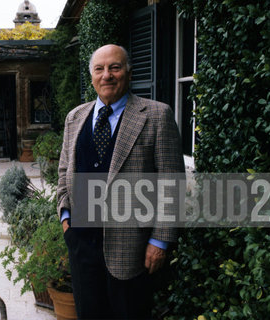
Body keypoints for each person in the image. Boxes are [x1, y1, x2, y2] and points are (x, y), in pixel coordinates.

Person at [57, 44, 185, 319]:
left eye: (114, 67)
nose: (107, 75)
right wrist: (65, 217)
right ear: (91, 76)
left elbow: (172, 184)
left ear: (128, 73)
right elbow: (63, 171)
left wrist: (160, 241)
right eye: (99, 69)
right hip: (82, 246)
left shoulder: (156, 116)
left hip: (132, 250)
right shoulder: (75, 117)